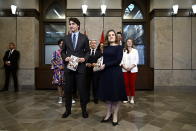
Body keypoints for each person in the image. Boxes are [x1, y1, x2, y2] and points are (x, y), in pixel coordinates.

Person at [61, 17, 90, 118]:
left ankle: (84, 110)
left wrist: (84, 59)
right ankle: (67, 111)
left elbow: (88, 51)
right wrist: (66, 58)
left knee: (82, 90)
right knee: (68, 91)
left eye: (73, 24)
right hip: (69, 68)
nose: (71, 26)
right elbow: (62, 52)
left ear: (78, 25)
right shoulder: (66, 38)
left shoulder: (84, 37)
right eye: (70, 24)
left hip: (80, 68)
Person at [98, 29, 127, 126]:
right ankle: (108, 113)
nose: (111, 36)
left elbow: (118, 61)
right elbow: (104, 60)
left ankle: (115, 115)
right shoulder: (105, 47)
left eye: (113, 35)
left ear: (115, 37)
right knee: (108, 96)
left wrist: (105, 65)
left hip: (115, 74)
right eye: (109, 35)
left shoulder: (119, 47)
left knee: (115, 96)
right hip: (106, 74)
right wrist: (100, 65)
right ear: (107, 37)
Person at [121, 38, 139, 104]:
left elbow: (136, 61)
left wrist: (130, 67)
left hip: (133, 70)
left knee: (132, 84)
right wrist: (125, 67)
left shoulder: (135, 51)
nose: (129, 43)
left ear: (132, 43)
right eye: (128, 41)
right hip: (124, 70)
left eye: (130, 42)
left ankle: (132, 98)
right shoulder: (123, 50)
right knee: (126, 84)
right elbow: (121, 60)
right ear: (126, 43)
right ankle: (127, 98)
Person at [51, 39, 65, 104]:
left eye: (63, 43)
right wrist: (59, 66)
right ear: (58, 44)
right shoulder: (55, 52)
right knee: (59, 85)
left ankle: (68, 97)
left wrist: (64, 66)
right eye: (60, 43)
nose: (61, 44)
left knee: (67, 84)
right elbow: (53, 61)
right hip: (58, 70)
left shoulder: (67, 52)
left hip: (66, 70)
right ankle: (60, 98)